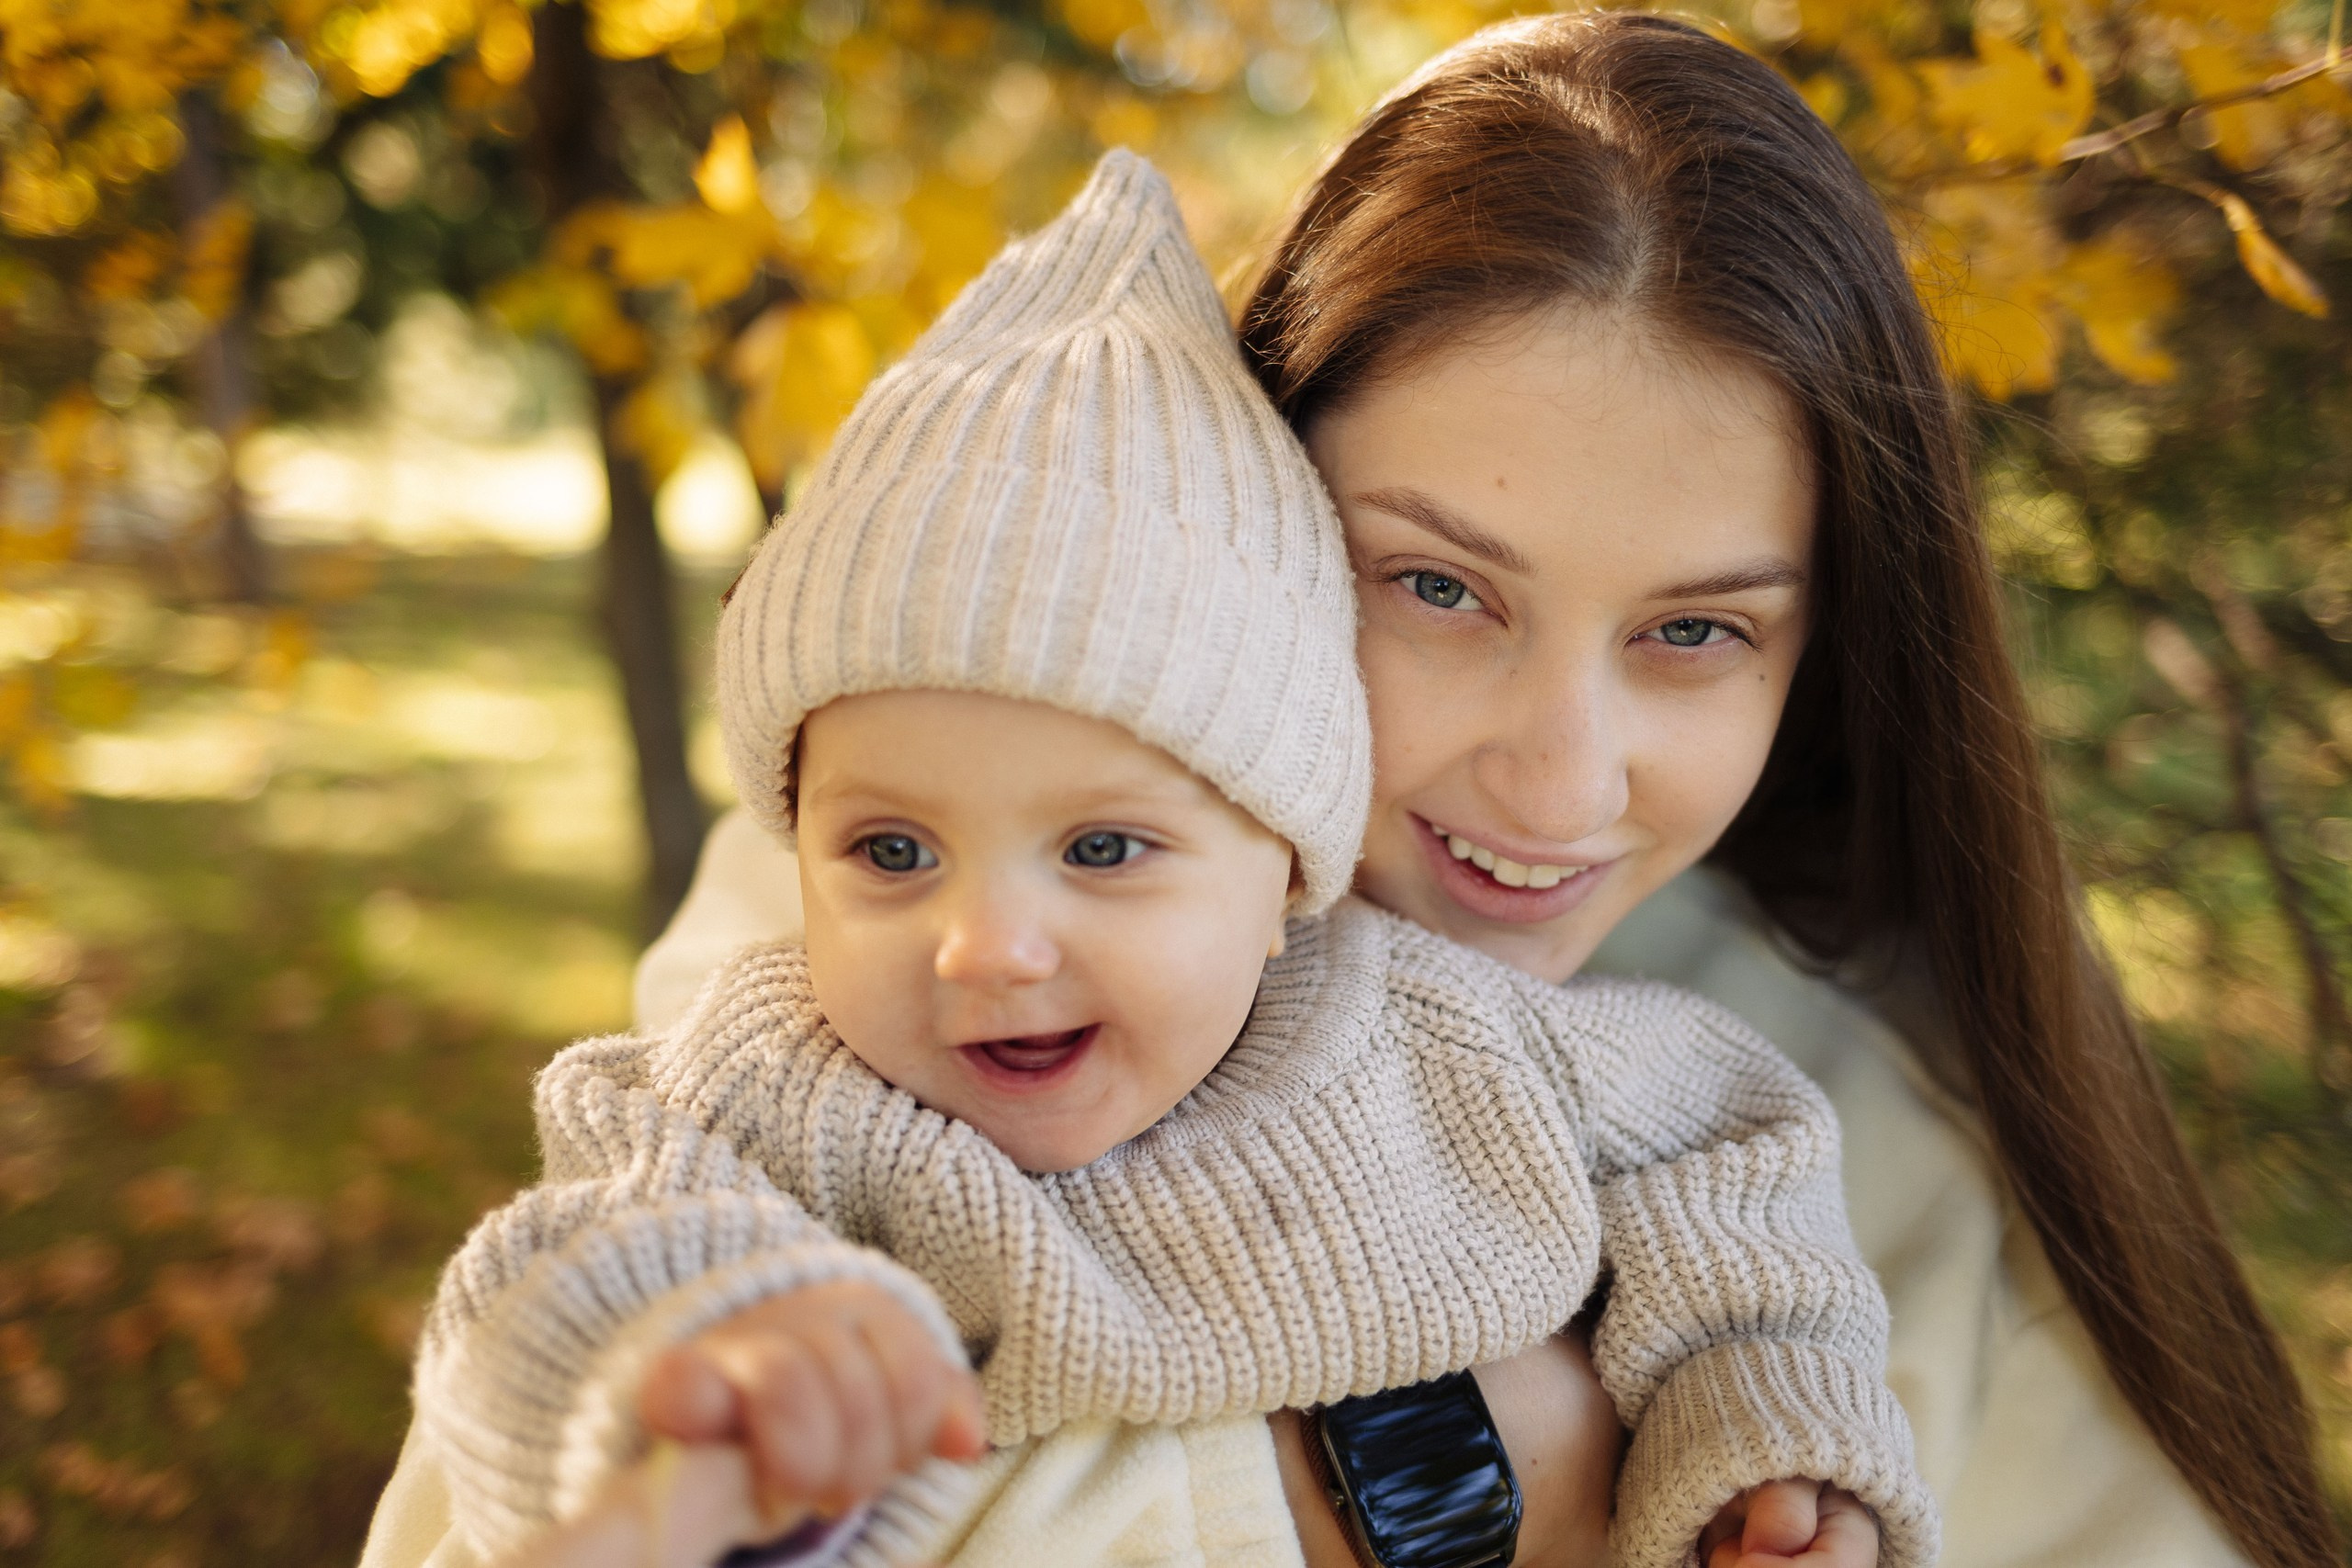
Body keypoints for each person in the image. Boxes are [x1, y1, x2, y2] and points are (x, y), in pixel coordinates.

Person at [364, 13, 2339, 1568]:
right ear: (1242, 531)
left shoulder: (1860, 1091)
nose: (1559, 780)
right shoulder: (879, 931)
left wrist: (1747, 1439)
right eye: (1436, 585)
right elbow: (529, 1449)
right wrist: (1410, 1502)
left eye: (1696, 632)